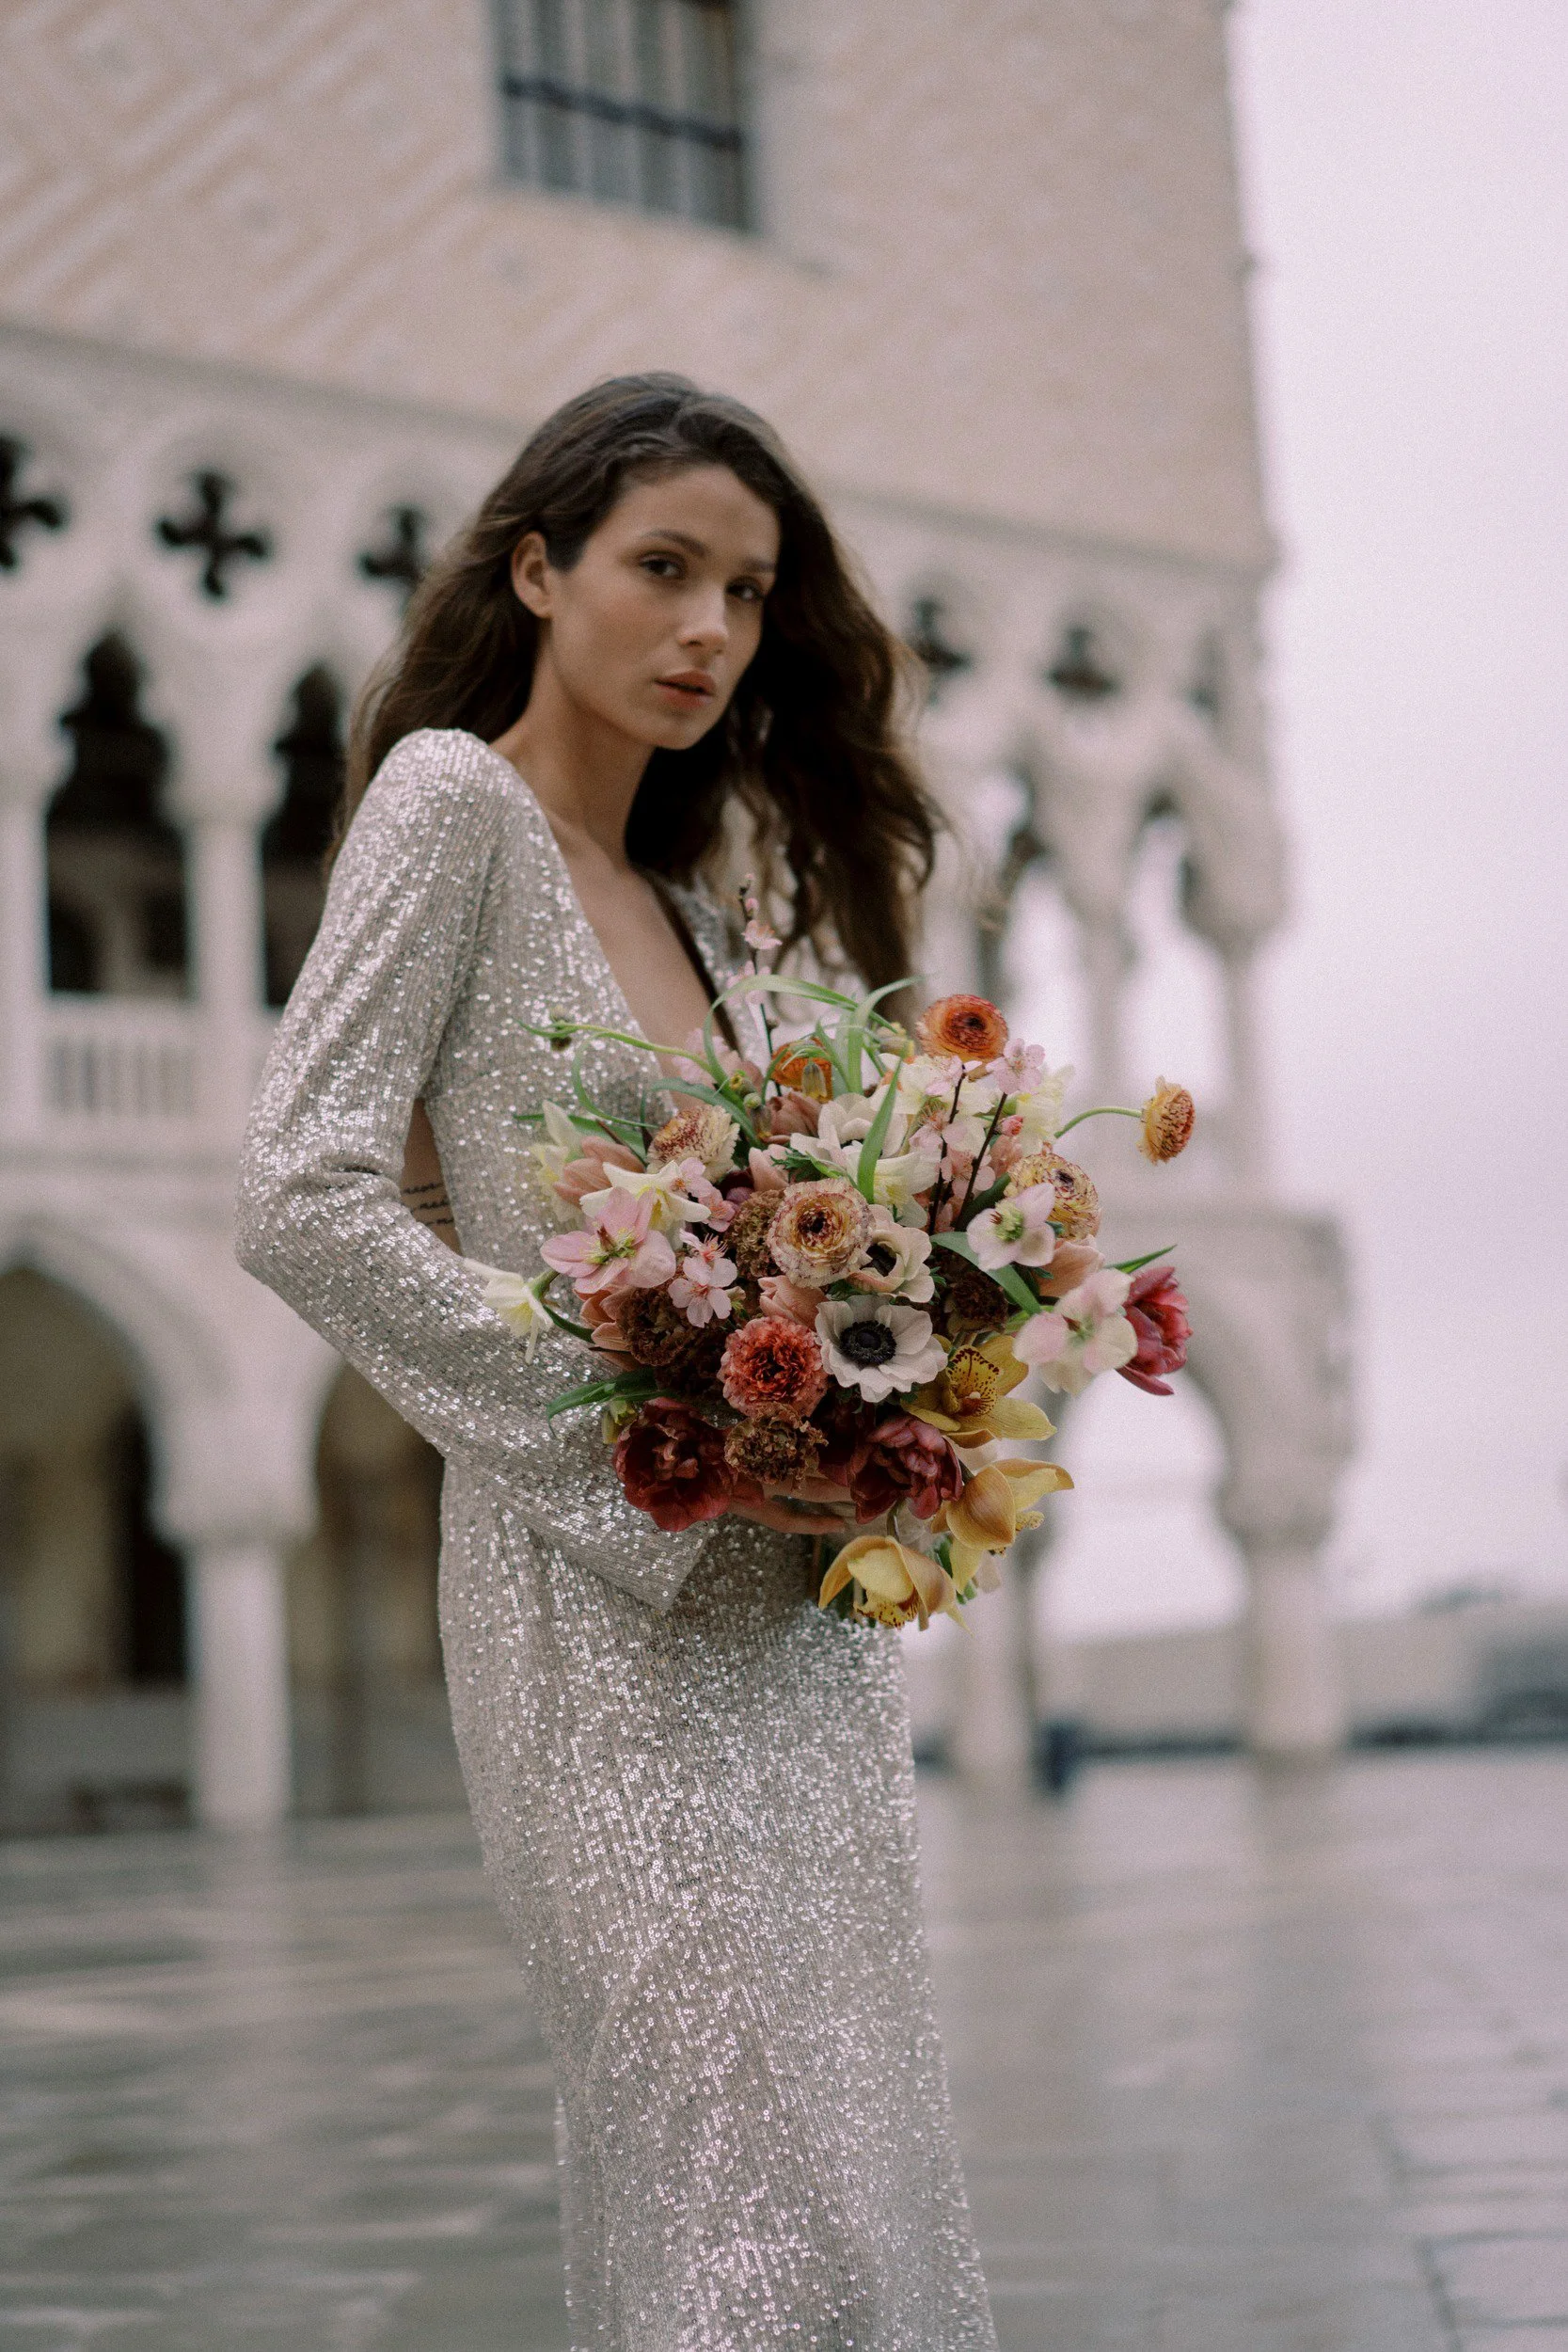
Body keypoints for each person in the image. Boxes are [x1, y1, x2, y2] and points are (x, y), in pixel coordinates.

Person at [236, 374, 997, 2350]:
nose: (707, 633)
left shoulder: (701, 902)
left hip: (789, 1635)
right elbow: (301, 1189)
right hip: (594, 1606)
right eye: (662, 570)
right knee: (718, 2168)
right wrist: (651, 1420)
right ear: (537, 565)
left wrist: (865, 1423)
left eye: (745, 592)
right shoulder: (448, 805)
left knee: (840, 2161)